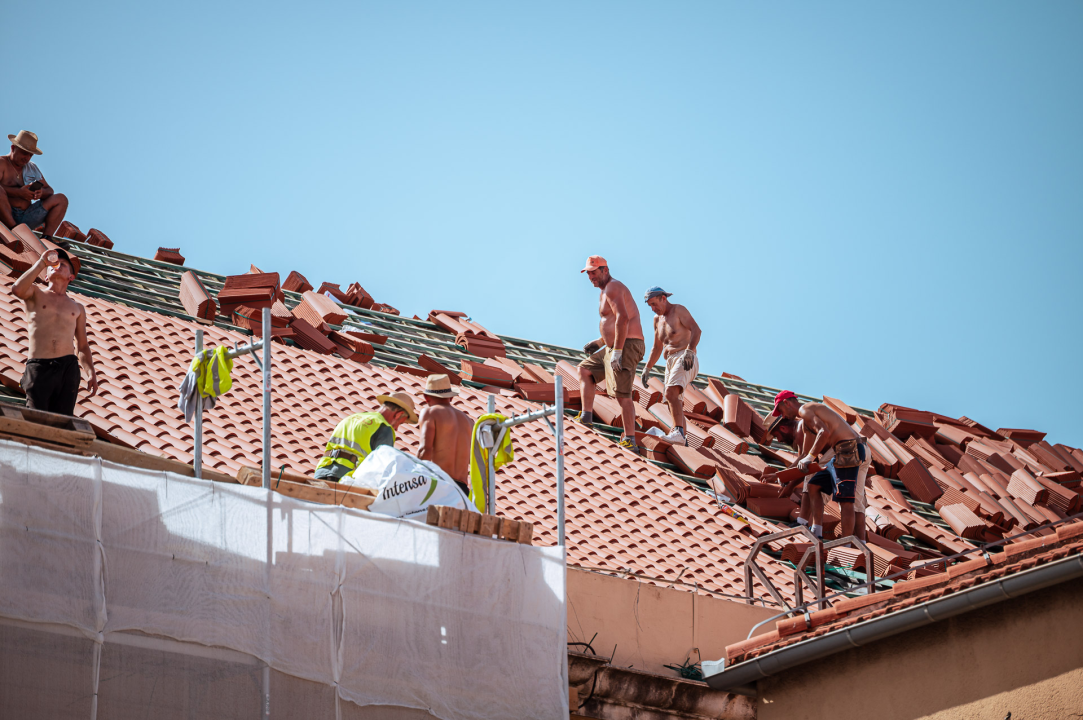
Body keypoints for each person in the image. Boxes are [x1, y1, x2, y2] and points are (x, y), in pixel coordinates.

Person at [770, 390, 870, 541]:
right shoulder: (806, 422)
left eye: (781, 411)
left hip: (849, 449)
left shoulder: (805, 410)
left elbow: (824, 433)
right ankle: (817, 532)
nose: (782, 416)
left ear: (787, 403)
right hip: (848, 451)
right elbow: (804, 455)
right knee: (813, 485)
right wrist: (780, 474)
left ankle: (846, 545)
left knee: (846, 500)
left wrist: (810, 458)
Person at [11, 247, 97, 415]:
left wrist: (90, 372)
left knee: (62, 421)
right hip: (40, 365)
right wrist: (42, 262)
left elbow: (83, 345)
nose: (57, 265)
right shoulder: (35, 293)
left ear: (70, 277)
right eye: (52, 265)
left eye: (63, 264)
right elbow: (17, 289)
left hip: (68, 368)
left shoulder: (77, 307)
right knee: (36, 419)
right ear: (46, 275)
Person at [575, 256, 645, 452]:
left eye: (594, 272)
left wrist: (618, 351)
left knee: (622, 393)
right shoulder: (604, 291)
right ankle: (586, 417)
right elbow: (611, 323)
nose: (590, 276)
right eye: (588, 273)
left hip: (627, 345)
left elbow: (623, 319)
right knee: (585, 370)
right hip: (613, 346)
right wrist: (599, 342)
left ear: (605, 270)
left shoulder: (613, 287)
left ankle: (630, 440)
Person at [639, 287, 701, 445]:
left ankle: (678, 432)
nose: (653, 308)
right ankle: (683, 441)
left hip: (685, 357)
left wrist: (690, 351)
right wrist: (647, 368)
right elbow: (657, 347)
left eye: (654, 304)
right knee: (673, 402)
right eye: (650, 306)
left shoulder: (678, 310)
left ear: (663, 298)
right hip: (670, 361)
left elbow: (696, 330)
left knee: (671, 393)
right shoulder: (657, 320)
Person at [314, 391, 418, 481]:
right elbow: (383, 468)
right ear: (398, 415)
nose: (396, 429)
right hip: (348, 479)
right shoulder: (384, 427)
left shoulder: (350, 418)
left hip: (322, 472)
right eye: (400, 423)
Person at [1, 131, 69, 238]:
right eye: (24, 153)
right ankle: (15, 232)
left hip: (27, 216)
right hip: (5, 216)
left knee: (61, 199)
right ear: (13, 148)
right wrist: (19, 193)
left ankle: (47, 238)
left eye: (30, 155)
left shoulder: (32, 168)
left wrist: (40, 193)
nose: (27, 158)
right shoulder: (2, 163)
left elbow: (50, 191)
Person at [417, 375, 474, 496]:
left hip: (439, 483)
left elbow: (424, 450)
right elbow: (472, 459)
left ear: (426, 398)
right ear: (450, 398)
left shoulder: (430, 412)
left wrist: (414, 481)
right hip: (462, 490)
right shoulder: (468, 421)